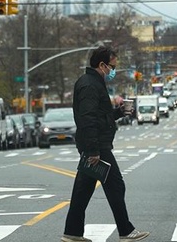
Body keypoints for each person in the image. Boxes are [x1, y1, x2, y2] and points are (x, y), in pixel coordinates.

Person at [62, 46, 150, 242]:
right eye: (112, 67)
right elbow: (88, 118)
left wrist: (119, 112)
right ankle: (125, 231)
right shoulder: (89, 85)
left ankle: (72, 232)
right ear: (102, 65)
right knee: (116, 186)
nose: (113, 71)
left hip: (95, 144)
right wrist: (93, 150)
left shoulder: (94, 82)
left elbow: (100, 116)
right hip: (96, 146)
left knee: (83, 191)